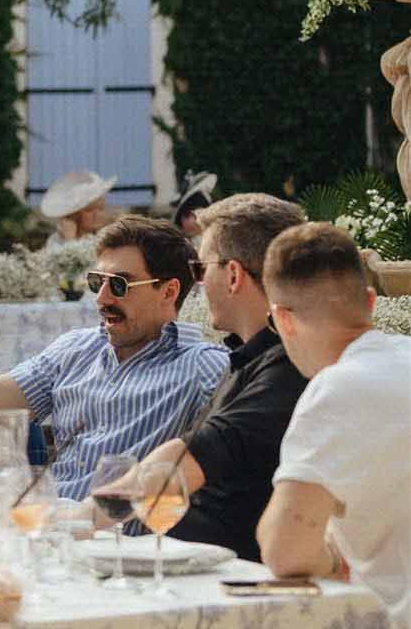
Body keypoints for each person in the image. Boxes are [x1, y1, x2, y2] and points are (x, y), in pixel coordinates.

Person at [0, 216, 229, 500]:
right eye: (98, 282)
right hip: (49, 531)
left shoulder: (205, 367)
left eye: (120, 286)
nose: (102, 299)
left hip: (124, 544)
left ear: (168, 292)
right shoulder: (76, 350)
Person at [131, 194, 307, 560]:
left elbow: (178, 466)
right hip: (187, 565)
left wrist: (84, 516)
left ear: (232, 275)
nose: (197, 284)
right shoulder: (248, 357)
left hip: (227, 582)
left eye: (199, 270)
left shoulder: (288, 368)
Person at [258, 223, 410, 629]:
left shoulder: (336, 388)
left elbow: (284, 551)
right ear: (371, 302)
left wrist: (331, 560)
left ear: (283, 320)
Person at [39, 169, 116, 242]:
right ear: (74, 214)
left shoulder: (107, 238)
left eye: (101, 208)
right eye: (89, 210)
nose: (97, 214)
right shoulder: (57, 240)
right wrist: (70, 239)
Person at [172, 170, 218, 242]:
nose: (190, 221)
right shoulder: (178, 241)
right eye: (186, 215)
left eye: (195, 215)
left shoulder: (211, 240)